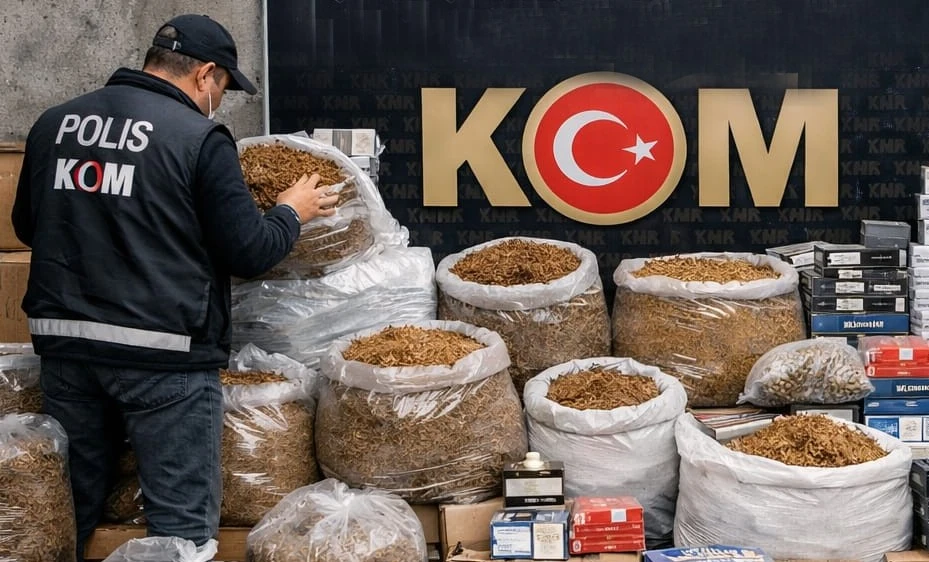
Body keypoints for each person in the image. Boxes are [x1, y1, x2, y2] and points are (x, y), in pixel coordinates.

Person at [11, 13, 339, 561]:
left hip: (67, 349)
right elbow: (250, 251)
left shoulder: (54, 124)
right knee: (180, 531)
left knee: (67, 514)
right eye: (223, 88)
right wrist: (290, 211)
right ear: (204, 74)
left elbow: (28, 226)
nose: (219, 101)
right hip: (163, 356)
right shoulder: (198, 138)